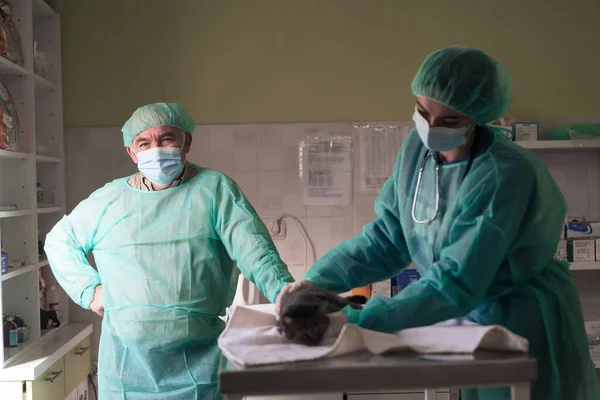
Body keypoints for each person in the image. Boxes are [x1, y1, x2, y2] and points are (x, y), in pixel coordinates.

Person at [276, 46, 600, 400]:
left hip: (521, 318)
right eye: (422, 112)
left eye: (449, 121)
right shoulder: (417, 149)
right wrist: (316, 282)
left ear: (478, 117)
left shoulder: (504, 174)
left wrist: (355, 321)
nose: (430, 128)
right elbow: (387, 239)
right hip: (468, 313)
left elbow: (456, 280)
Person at [45, 102, 295, 399]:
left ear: (186, 141)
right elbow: (60, 241)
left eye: (166, 138)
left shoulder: (215, 190)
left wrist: (287, 293)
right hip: (126, 371)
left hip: (199, 369)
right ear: (132, 152)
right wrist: (91, 291)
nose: (156, 149)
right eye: (144, 142)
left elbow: (256, 251)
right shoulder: (109, 201)